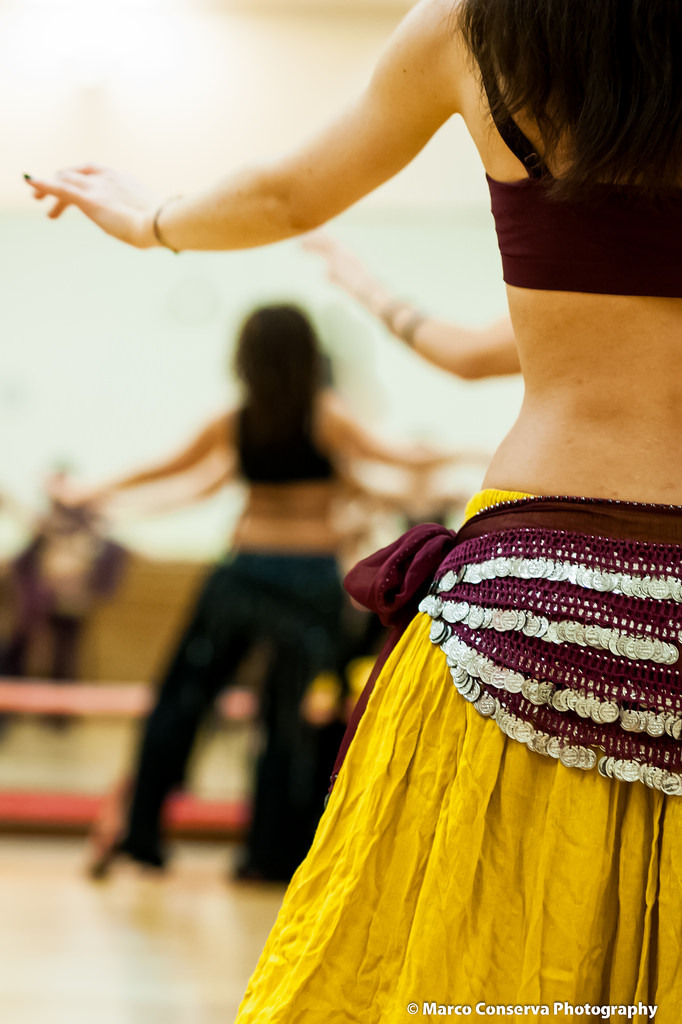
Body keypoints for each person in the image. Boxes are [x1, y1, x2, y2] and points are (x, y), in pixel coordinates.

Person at [26, 0, 682, 1015]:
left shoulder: (480, 31)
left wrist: (151, 219)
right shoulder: (318, 415)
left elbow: (288, 192)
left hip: (523, 598)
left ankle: (156, 831)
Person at [76, 303, 449, 882]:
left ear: (245, 357)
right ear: (308, 356)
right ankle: (271, 855)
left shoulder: (237, 419)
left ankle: (143, 833)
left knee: (182, 699)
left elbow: (167, 467)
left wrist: (98, 487)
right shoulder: (327, 417)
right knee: (292, 718)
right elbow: (397, 458)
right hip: (304, 581)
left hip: (243, 573)